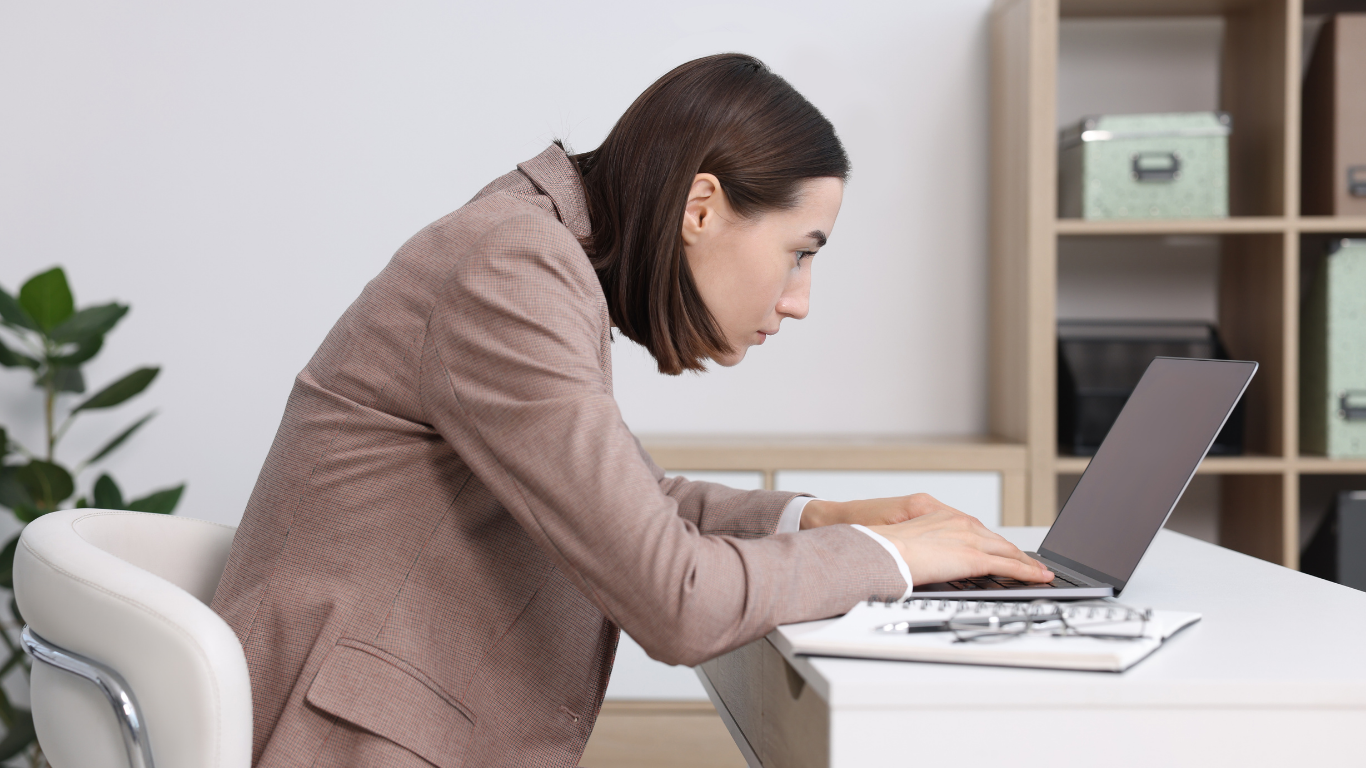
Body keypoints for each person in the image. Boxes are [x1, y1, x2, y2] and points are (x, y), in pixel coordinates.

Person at [210, 52, 1053, 768]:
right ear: (700, 208)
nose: (800, 301)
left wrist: (819, 515)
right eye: (799, 254)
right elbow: (675, 596)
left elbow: (633, 504)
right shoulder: (509, 272)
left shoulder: (536, 257)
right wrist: (888, 556)